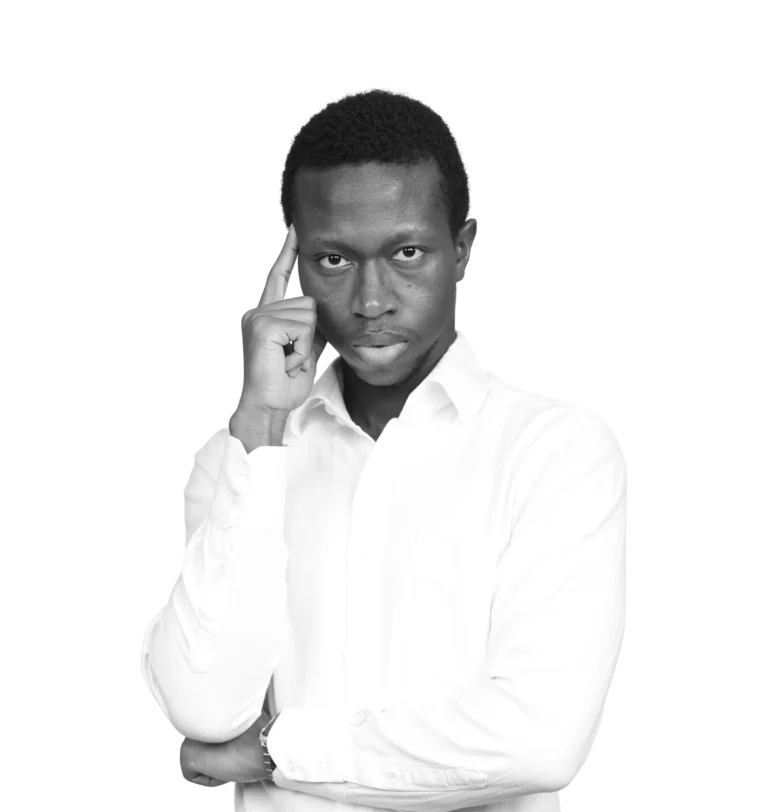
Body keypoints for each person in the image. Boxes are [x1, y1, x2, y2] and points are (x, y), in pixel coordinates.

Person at [147, 88, 628, 811]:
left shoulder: (557, 451)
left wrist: (276, 750)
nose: (372, 302)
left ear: (462, 247)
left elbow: (537, 742)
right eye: (334, 259)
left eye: (407, 253)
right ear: (292, 266)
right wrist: (260, 422)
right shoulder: (248, 453)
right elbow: (203, 711)